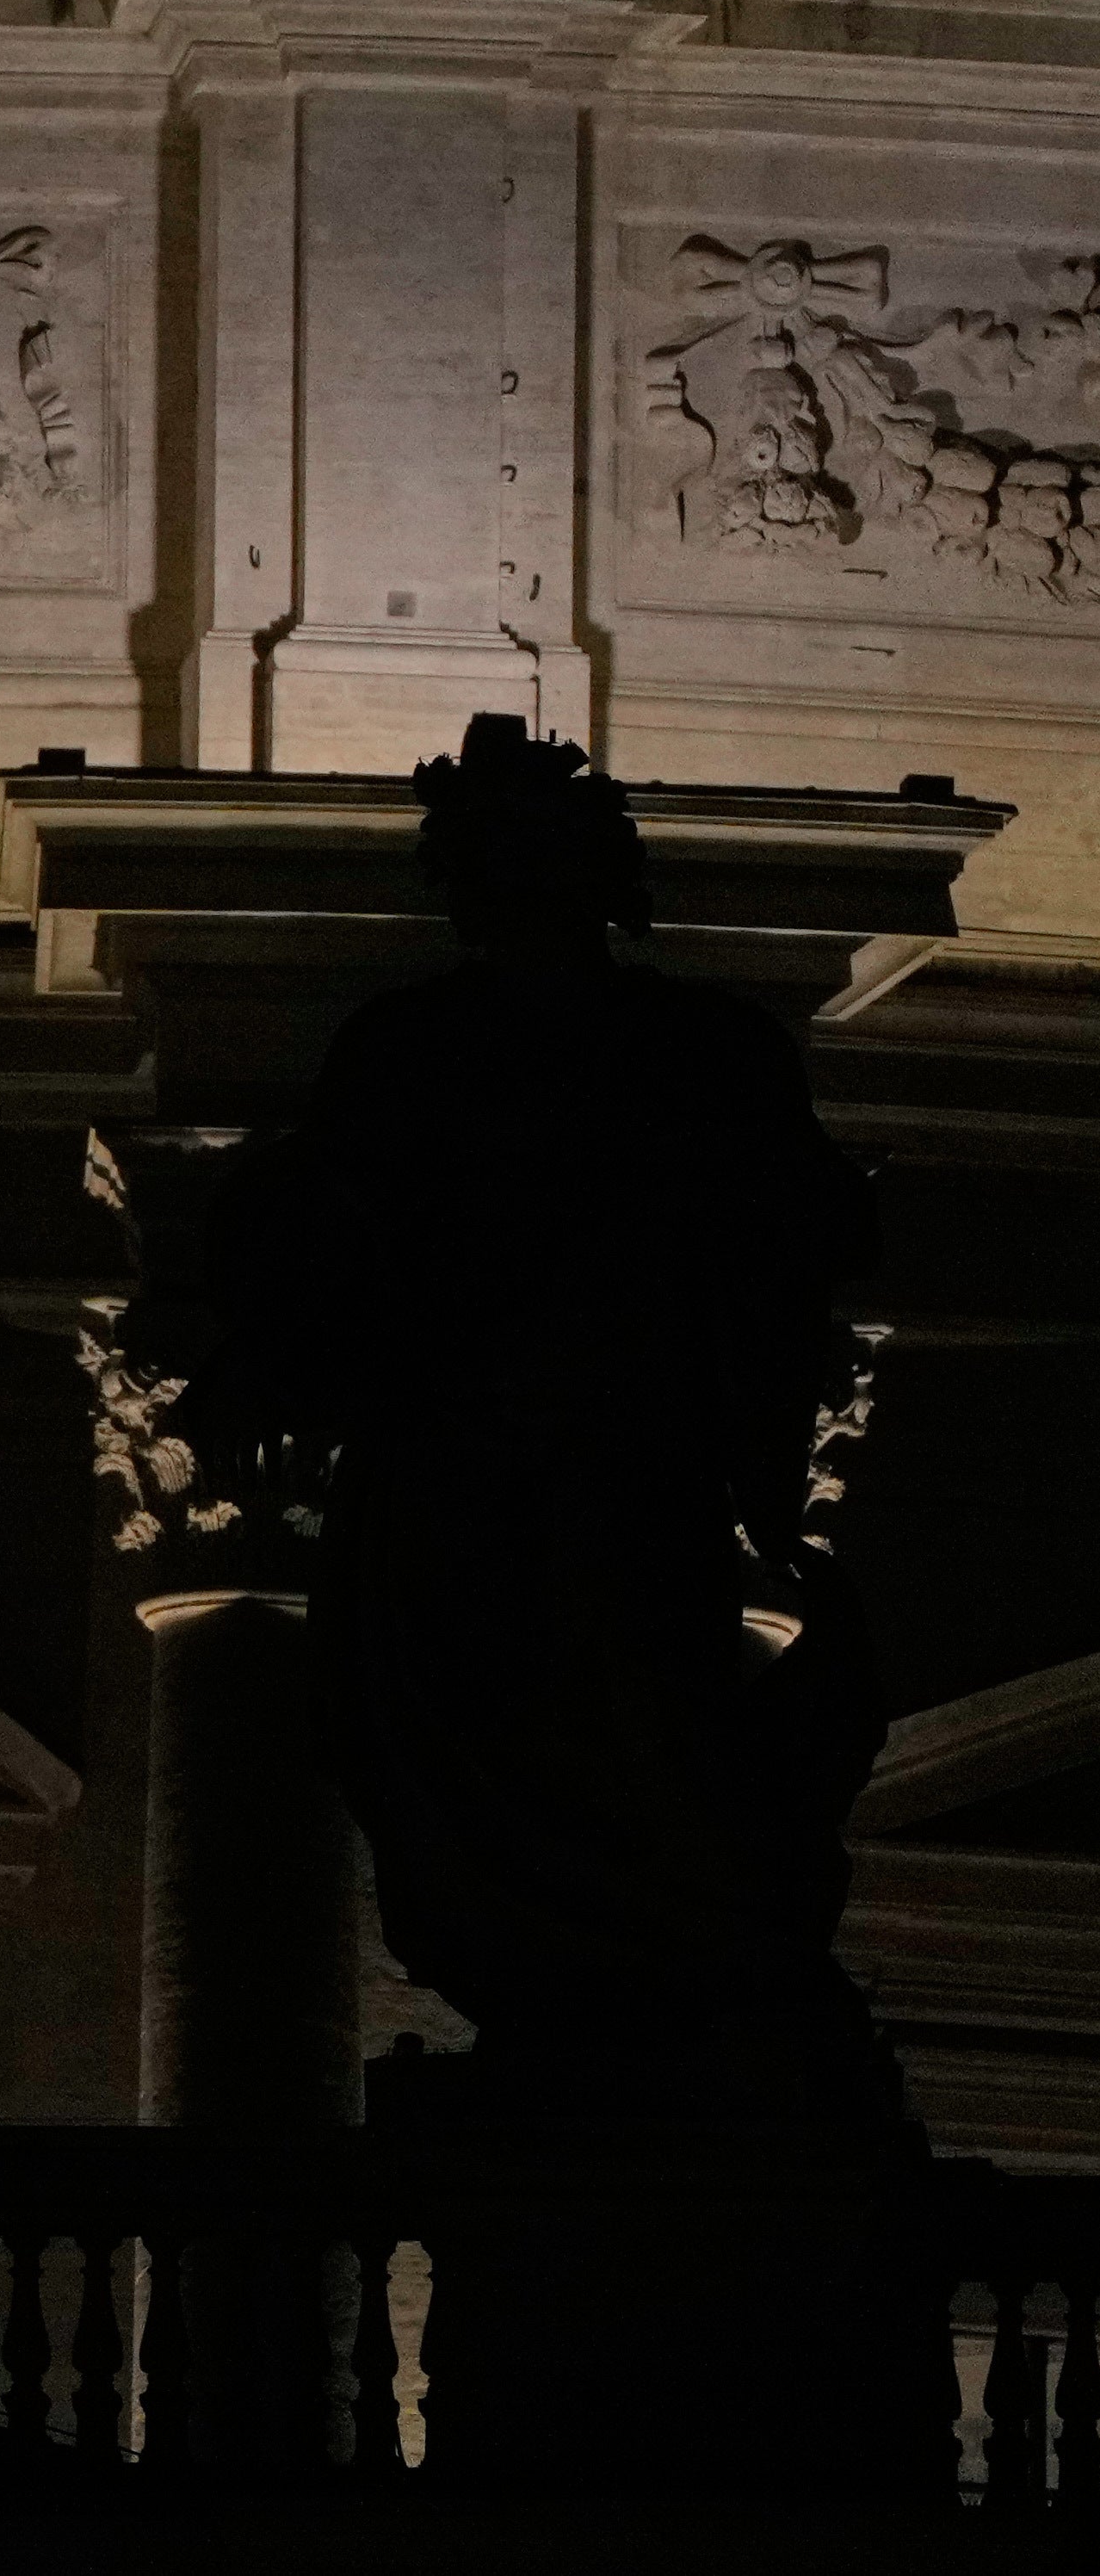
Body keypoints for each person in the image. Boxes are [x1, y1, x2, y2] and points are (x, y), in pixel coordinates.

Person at [201, 714, 898, 2131]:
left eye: (526, 865)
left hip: (608, 1463)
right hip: (462, 1473)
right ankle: (612, 1971)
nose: (500, 897)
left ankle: (648, 1967)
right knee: (450, 1742)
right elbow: (314, 1233)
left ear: (596, 880)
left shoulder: (683, 1051)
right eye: (480, 869)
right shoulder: (432, 1049)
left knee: (626, 1732)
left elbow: (795, 1240)